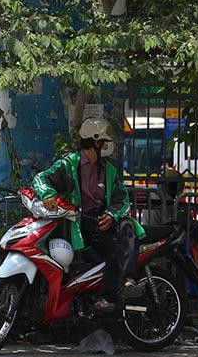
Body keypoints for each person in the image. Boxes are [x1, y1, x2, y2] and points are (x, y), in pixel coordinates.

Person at [33, 117, 146, 312]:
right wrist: (48, 194)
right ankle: (105, 295)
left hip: (107, 220)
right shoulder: (69, 164)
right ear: (95, 141)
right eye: (103, 142)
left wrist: (111, 215)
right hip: (83, 222)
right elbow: (41, 178)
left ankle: (128, 282)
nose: (105, 146)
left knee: (127, 226)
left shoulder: (109, 169)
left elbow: (122, 198)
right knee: (111, 252)